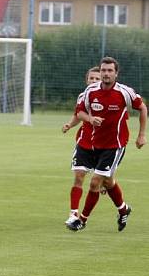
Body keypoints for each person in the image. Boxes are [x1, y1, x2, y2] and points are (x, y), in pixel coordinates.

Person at [67, 56, 146, 231]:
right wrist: (90, 119)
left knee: (95, 182)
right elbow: (79, 111)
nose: (106, 73)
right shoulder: (90, 91)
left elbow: (142, 108)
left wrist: (141, 135)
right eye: (103, 70)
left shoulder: (125, 92)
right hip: (95, 144)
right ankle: (124, 209)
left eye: (110, 70)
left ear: (116, 73)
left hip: (115, 145)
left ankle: (82, 220)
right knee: (108, 182)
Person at [61, 66, 101, 224]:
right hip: (84, 142)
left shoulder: (108, 96)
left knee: (103, 182)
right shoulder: (82, 96)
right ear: (86, 80)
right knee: (78, 176)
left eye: (97, 79)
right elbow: (78, 115)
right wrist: (70, 125)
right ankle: (73, 213)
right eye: (91, 78)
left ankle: (122, 208)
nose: (94, 81)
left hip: (103, 145)